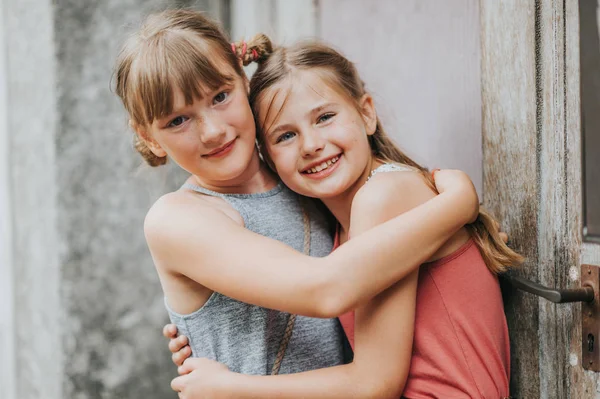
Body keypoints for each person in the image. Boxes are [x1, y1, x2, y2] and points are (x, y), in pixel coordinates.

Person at [167, 36, 522, 398]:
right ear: (269, 157)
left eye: (325, 117)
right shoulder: (340, 221)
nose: (310, 145)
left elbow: (373, 384)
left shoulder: (381, 197)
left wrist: (232, 388)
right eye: (286, 135)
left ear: (366, 113)